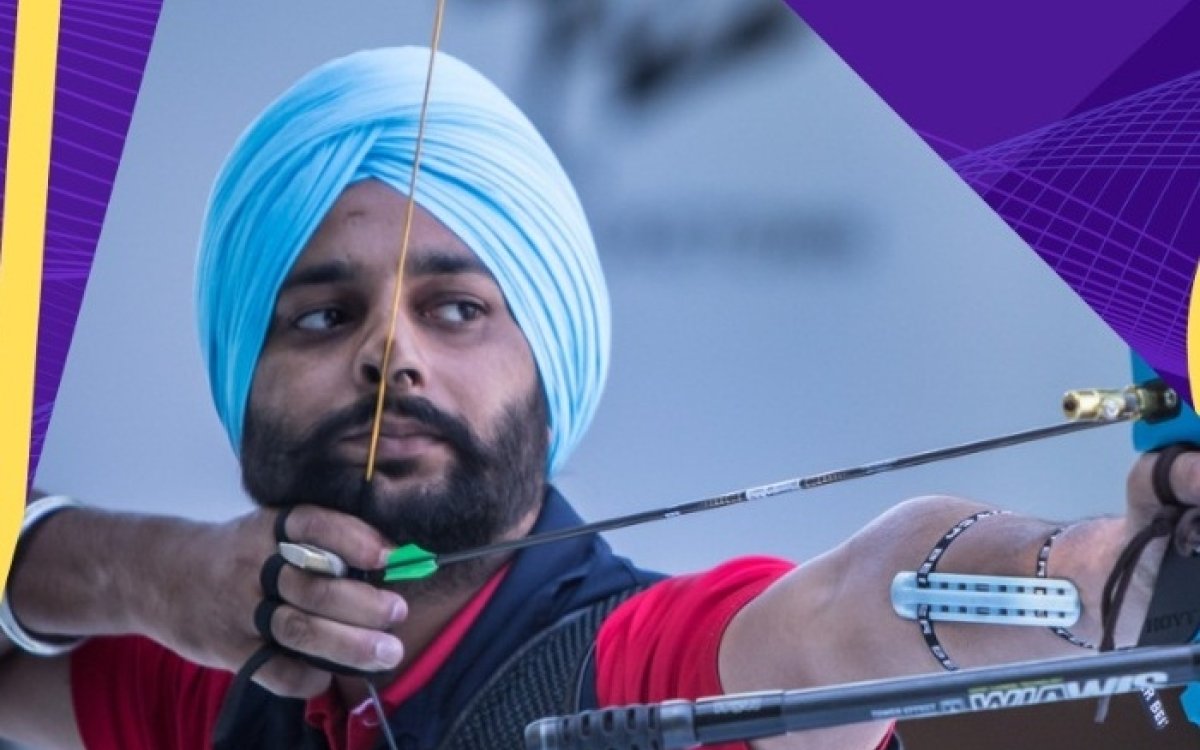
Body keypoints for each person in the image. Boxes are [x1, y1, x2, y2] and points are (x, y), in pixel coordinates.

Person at [0, 46, 1194, 750]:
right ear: (243, 375)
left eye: (456, 308)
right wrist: (144, 573)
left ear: (547, 362)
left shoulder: (627, 663)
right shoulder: (211, 686)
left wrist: (1117, 575)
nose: (390, 355)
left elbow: (855, 604)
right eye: (323, 315)